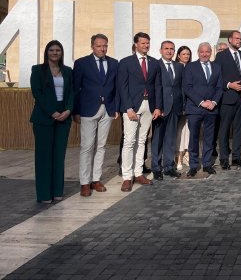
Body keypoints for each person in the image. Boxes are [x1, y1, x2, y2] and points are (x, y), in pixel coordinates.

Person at [73, 34, 118, 197]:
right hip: (87, 110)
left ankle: (96, 179)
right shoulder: (81, 63)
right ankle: (84, 183)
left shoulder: (114, 63)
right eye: (99, 46)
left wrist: (116, 108)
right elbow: (75, 89)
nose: (102, 49)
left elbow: (116, 88)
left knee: (101, 146)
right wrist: (76, 111)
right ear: (92, 46)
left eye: (105, 45)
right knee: (86, 147)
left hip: (108, 109)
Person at [30, 40, 74, 203]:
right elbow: (37, 93)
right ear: (46, 52)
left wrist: (68, 110)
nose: (55, 53)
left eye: (58, 50)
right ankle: (44, 194)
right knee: (43, 157)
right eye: (52, 50)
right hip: (44, 118)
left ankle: (57, 191)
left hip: (64, 118)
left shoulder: (68, 71)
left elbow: (72, 92)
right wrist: (53, 112)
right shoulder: (37, 70)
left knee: (58, 156)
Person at [117, 32, 162, 192]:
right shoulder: (125, 62)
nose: (146, 46)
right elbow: (122, 87)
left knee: (142, 140)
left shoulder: (154, 63)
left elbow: (157, 86)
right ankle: (127, 177)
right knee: (129, 141)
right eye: (143, 43)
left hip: (149, 106)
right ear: (136, 44)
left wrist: (157, 106)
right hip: (132, 107)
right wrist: (128, 108)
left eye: (148, 43)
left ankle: (138, 173)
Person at [183, 42, 223, 176]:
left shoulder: (216, 67)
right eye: (202, 52)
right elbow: (187, 88)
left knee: (209, 138)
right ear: (198, 52)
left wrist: (214, 102)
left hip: (211, 109)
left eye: (207, 52)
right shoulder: (190, 67)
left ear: (210, 53)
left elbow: (219, 87)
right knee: (193, 138)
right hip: (195, 108)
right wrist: (201, 102)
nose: (204, 54)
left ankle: (207, 164)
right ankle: (193, 165)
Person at [214, 30, 241, 169]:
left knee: (238, 130)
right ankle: (224, 159)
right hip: (227, 99)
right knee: (224, 130)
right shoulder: (221, 56)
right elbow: (216, 77)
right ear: (230, 40)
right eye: (237, 39)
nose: (239, 41)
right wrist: (229, 85)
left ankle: (236, 158)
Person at [152, 40, 184, 180]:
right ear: (160, 50)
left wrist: (182, 106)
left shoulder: (179, 66)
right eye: (166, 48)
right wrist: (157, 107)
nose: (169, 51)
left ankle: (168, 166)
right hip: (161, 108)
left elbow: (181, 87)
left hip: (175, 107)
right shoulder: (156, 65)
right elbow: (154, 88)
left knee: (171, 139)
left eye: (172, 49)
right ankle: (156, 167)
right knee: (158, 139)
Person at [174, 46, 192, 170]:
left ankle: (187, 154)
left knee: (188, 131)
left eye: (188, 54)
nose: (186, 56)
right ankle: (178, 156)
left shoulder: (191, 68)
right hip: (178, 105)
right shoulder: (176, 68)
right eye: (184, 54)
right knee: (179, 132)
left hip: (191, 105)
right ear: (179, 55)